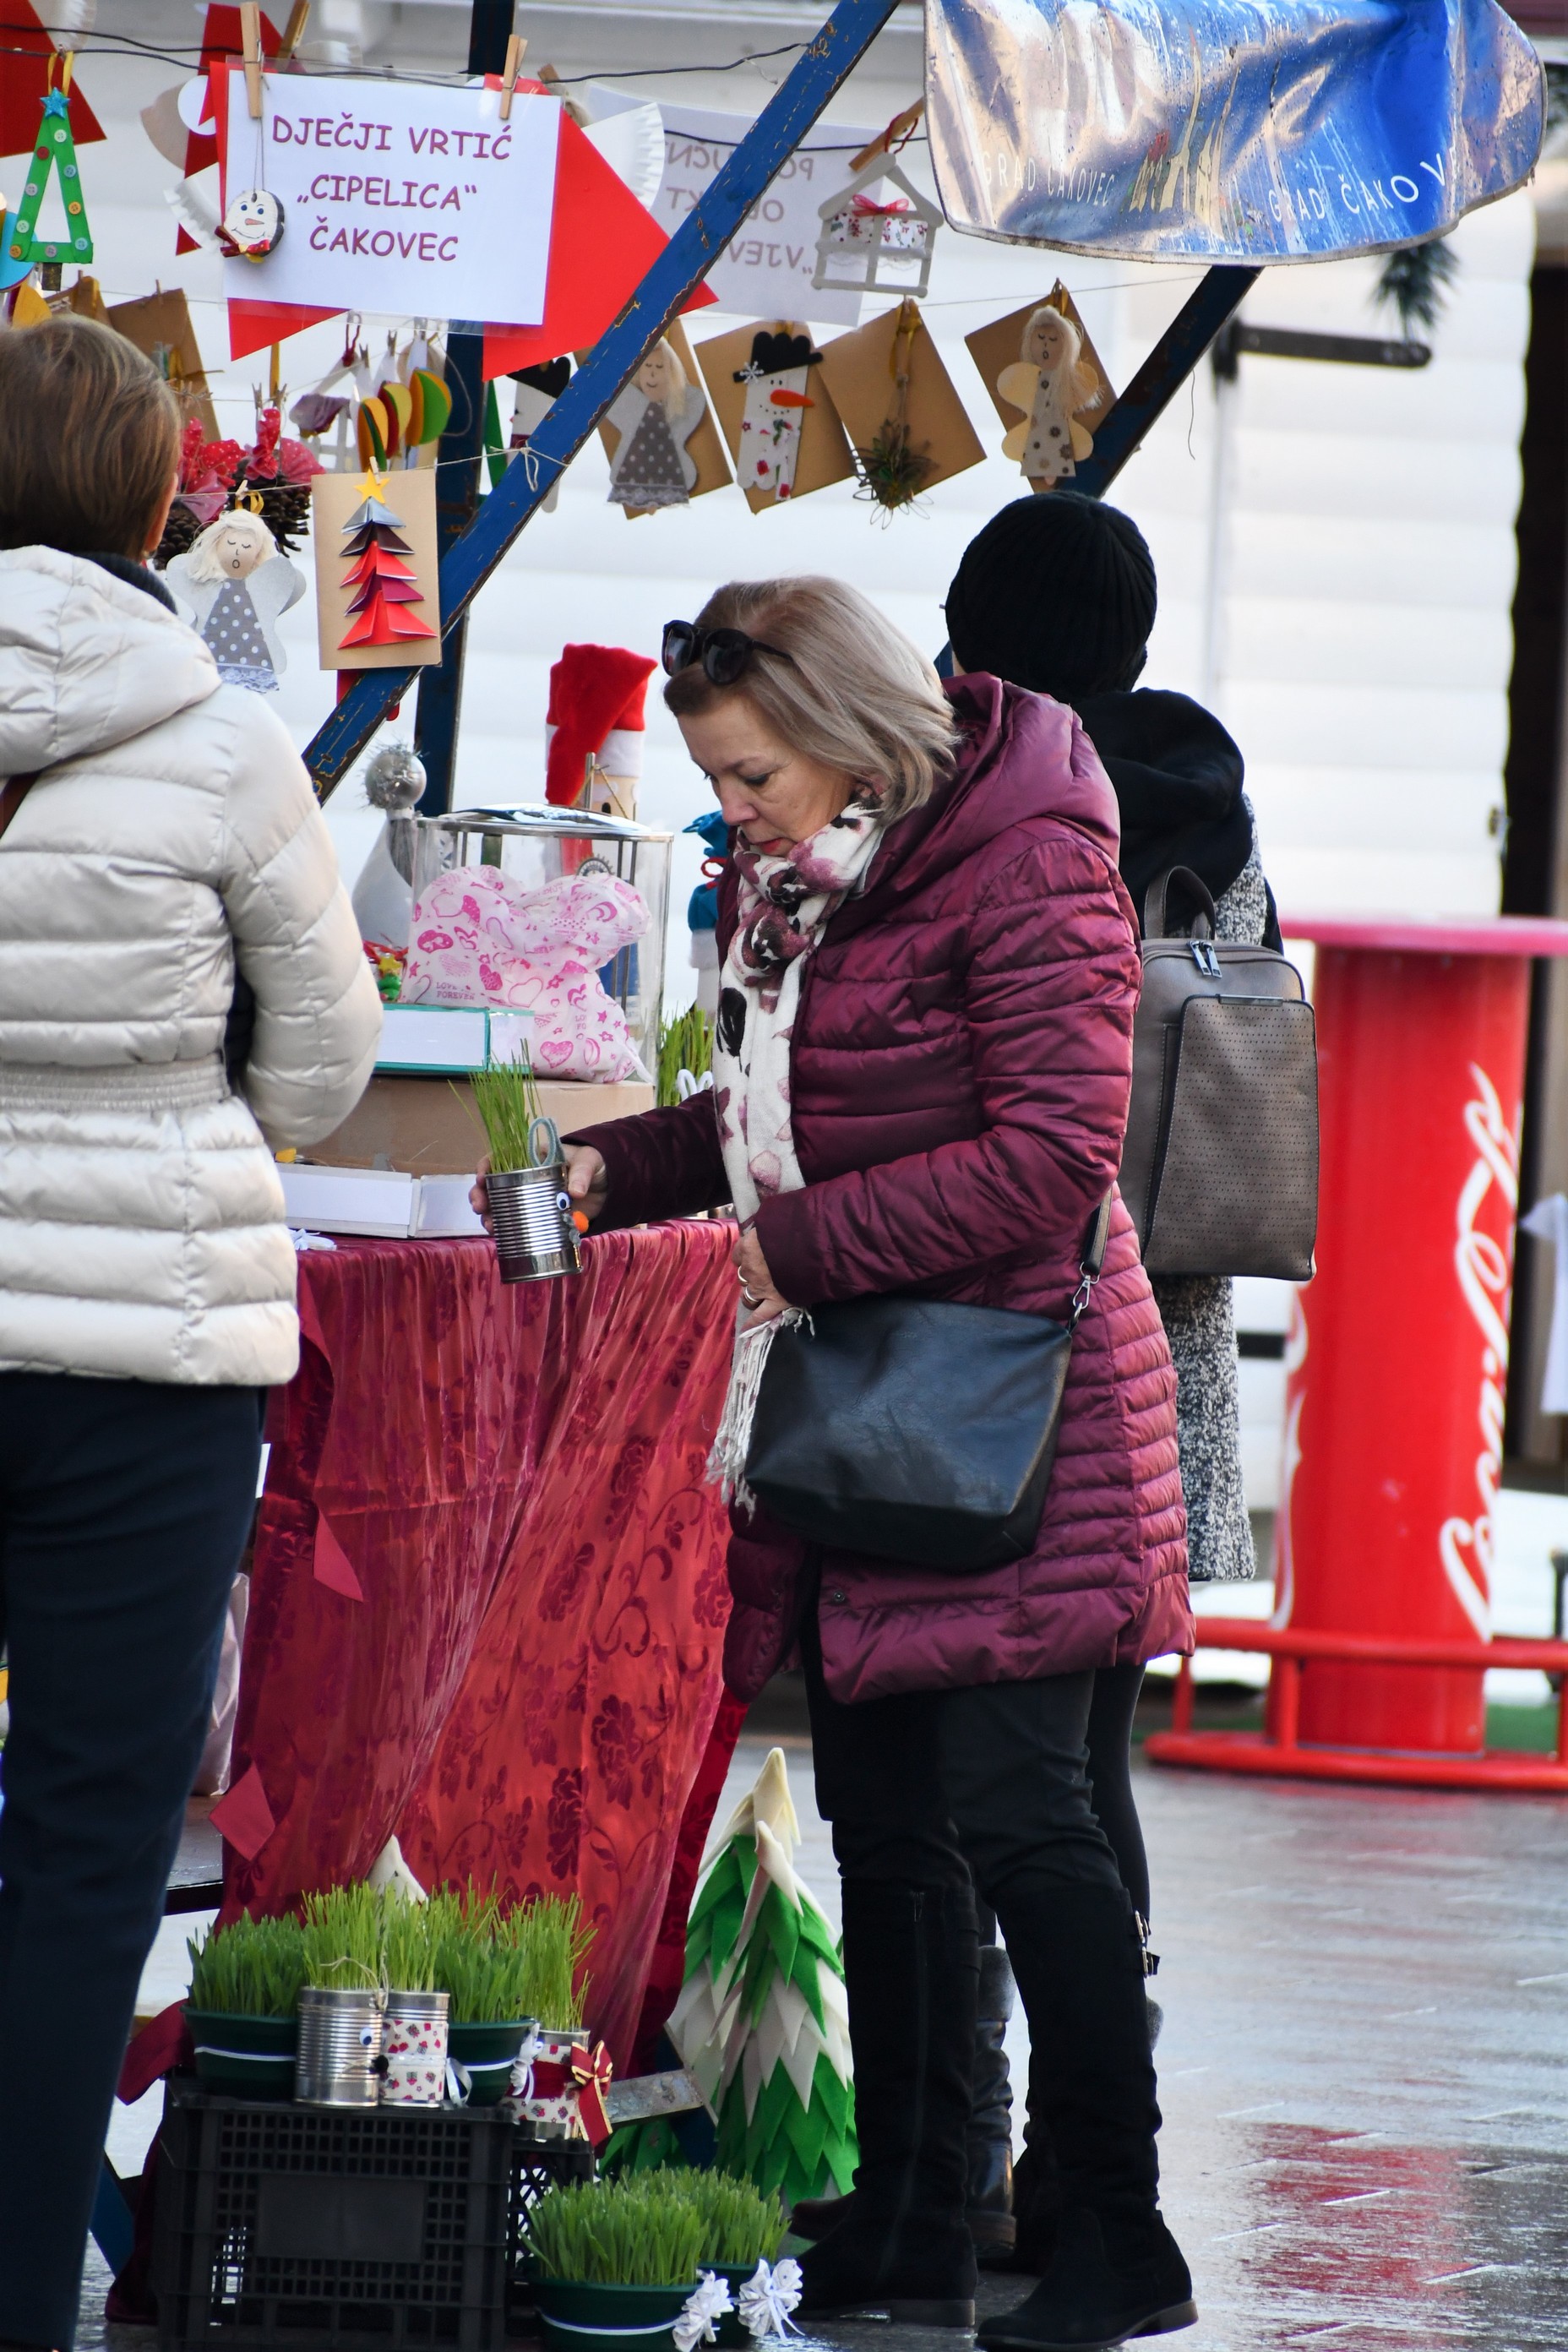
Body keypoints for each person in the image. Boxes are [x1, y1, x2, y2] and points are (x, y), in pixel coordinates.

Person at [484, 577, 1197, 2348]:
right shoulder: (810, 881)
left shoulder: (1024, 848)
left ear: (847, 731)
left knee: (1032, 1832)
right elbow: (761, 1119)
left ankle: (1117, 2232)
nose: (730, 813)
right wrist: (618, 1172)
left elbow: (1052, 1156)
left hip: (1010, 1412)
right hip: (865, 1408)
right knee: (889, 1831)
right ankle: (905, 2222)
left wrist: (787, 1258)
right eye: (719, 783)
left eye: (747, 777)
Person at [0, 316, 381, 2347]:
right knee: (84, 1849)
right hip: (146, 1359)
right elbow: (321, 1074)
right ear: (163, 499)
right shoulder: (228, 747)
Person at [941, 487, 1277, 2268]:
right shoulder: (1211, 820)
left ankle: (990, 2163)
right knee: (1089, 1775)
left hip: (995, 1345)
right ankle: (1072, 2176)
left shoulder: (998, 807)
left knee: (971, 1791)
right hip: (1166, 1352)